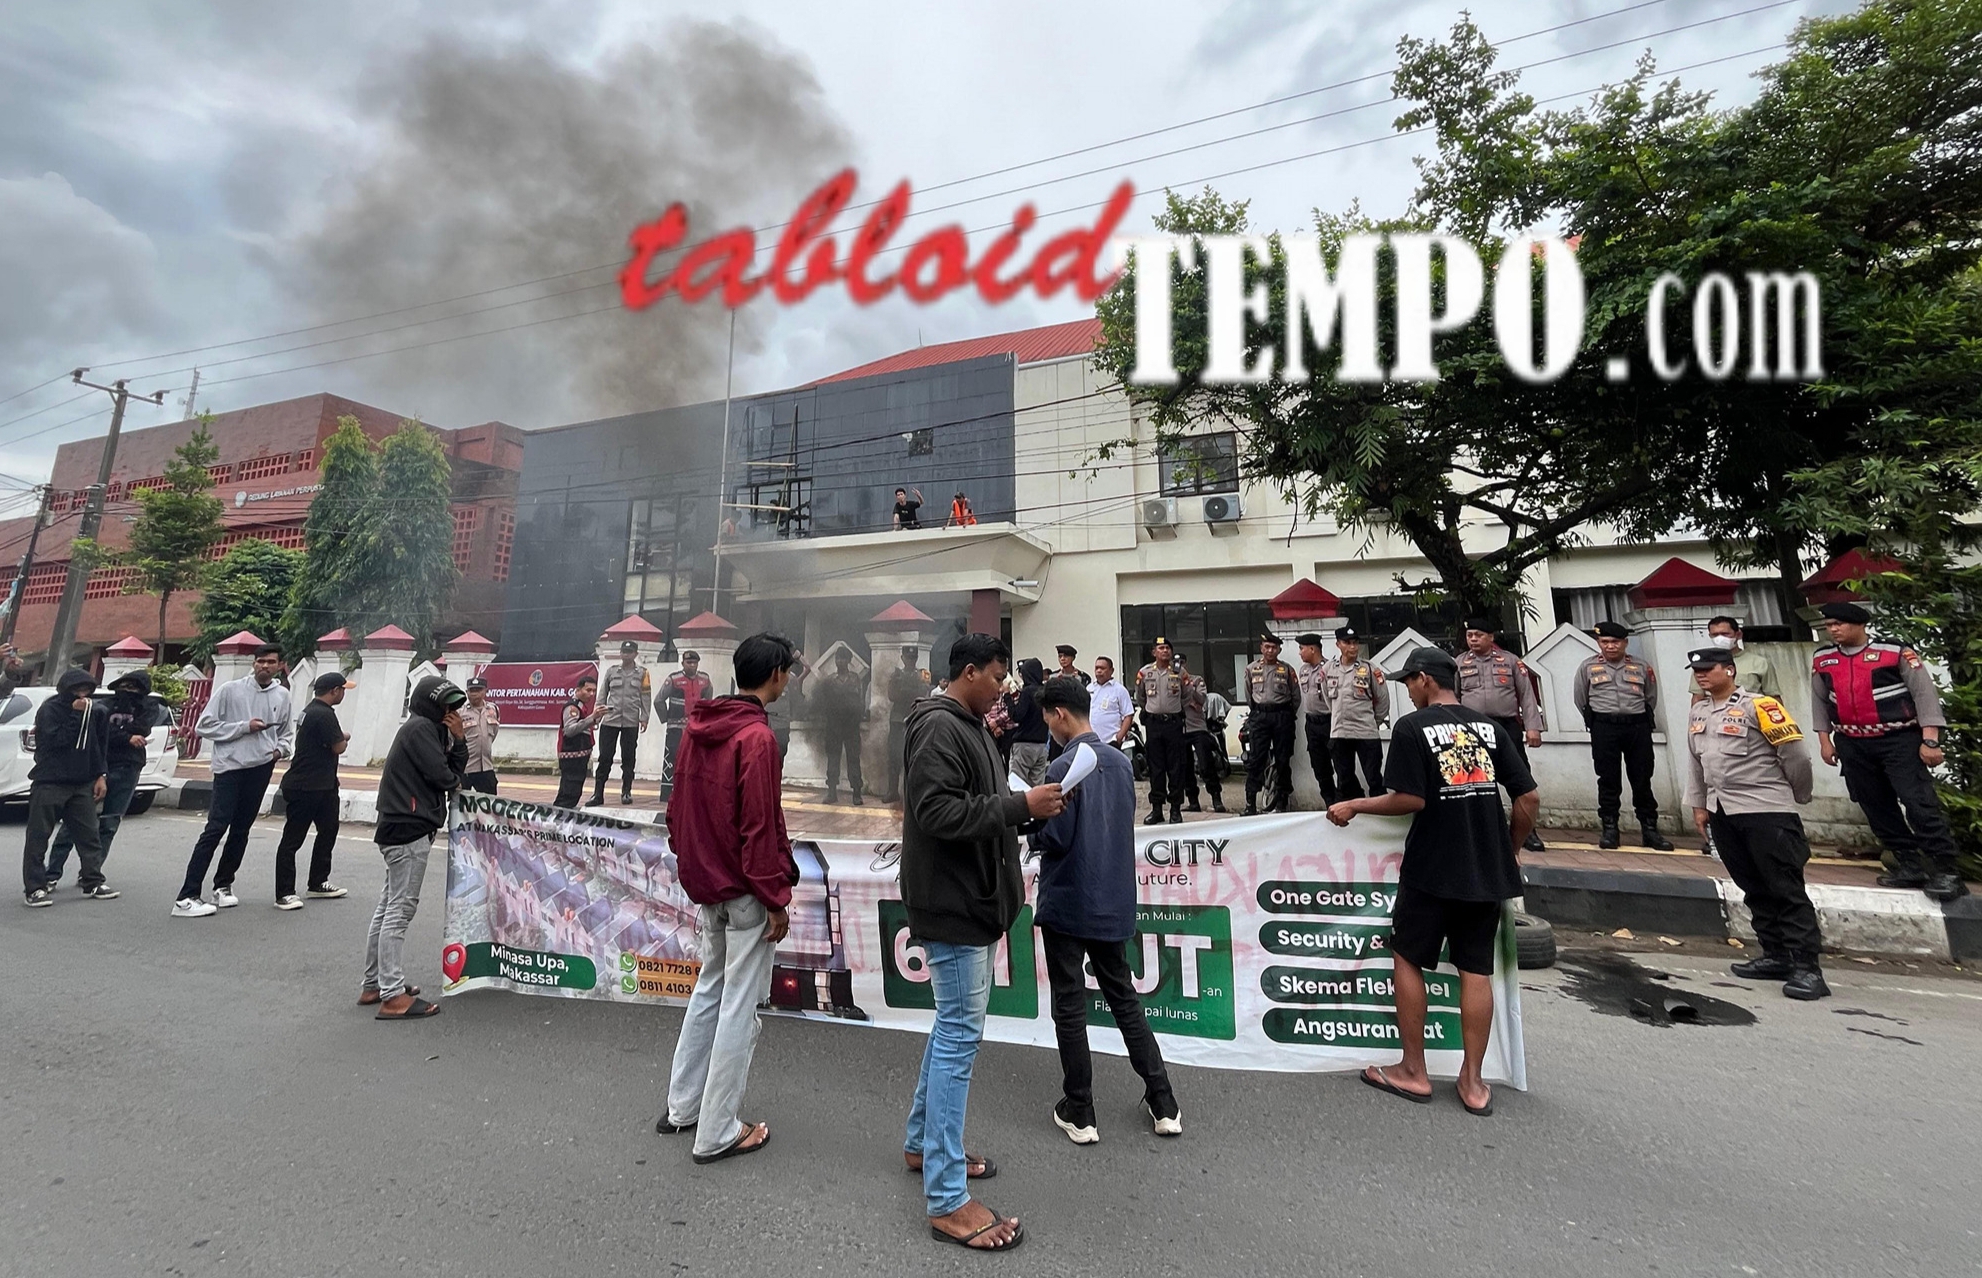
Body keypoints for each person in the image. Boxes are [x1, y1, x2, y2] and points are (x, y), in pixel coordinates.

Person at [1327, 647, 1539, 1117]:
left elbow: (1410, 799)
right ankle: (1473, 1082)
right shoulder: (1490, 727)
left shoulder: (1412, 728)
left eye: (1408, 682)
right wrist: (1508, 849)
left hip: (1431, 867)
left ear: (1425, 679)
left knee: (1407, 957)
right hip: (1485, 871)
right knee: (1475, 970)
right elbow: (1528, 797)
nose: (1407, 690)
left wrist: (1355, 804)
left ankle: (1413, 1071)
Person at [900, 632, 1059, 1252]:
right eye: (996, 677)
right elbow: (936, 812)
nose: (1003, 690)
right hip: (955, 905)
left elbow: (970, 801)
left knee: (950, 1032)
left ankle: (924, 1145)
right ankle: (947, 1199)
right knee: (958, 1042)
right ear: (968, 673)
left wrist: (1018, 804)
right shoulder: (942, 727)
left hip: (969, 899)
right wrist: (1022, 807)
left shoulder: (963, 723)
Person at [659, 633, 798, 1163]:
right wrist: (775, 896)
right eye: (787, 671)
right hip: (744, 890)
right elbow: (760, 826)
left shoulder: (699, 727)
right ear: (776, 674)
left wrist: (696, 864)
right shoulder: (758, 738)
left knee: (708, 992)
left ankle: (682, 1107)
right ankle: (717, 1129)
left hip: (709, 886)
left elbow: (677, 810)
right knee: (740, 1006)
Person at [1032, 679, 1182, 1143]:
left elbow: (1056, 837)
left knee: (1069, 1005)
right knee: (1124, 999)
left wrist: (1032, 826)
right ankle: (1164, 1101)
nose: (1049, 728)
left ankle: (1080, 1109)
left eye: (1048, 719)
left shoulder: (1063, 765)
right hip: (1112, 899)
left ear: (1059, 714)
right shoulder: (1119, 762)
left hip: (1068, 900)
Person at [1683, 646, 1827, 998]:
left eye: (1708, 669)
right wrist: (1699, 806)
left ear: (1730, 670)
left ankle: (1807, 967)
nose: (1701, 675)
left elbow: (1796, 756)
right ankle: (1775, 954)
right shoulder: (1699, 711)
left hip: (1766, 809)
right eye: (1697, 671)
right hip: (1723, 812)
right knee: (1753, 886)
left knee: (1785, 888)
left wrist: (1796, 796)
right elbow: (1696, 763)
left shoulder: (1761, 706)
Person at [1809, 601, 1966, 902]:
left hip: (1899, 739)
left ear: (1859, 624)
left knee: (1918, 802)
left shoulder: (1894, 652)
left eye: (1839, 624)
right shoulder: (1823, 658)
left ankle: (1947, 870)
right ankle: (1909, 865)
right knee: (1875, 806)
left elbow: (1924, 694)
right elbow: (1819, 700)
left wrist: (1930, 740)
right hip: (1852, 743)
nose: (1833, 630)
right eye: (1829, 625)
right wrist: (1824, 740)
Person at [362, 675, 467, 1019]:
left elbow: (449, 772)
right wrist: (458, 744)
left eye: (453, 707)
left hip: (401, 824)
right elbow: (445, 776)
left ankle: (375, 983)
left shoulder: (427, 730)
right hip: (408, 827)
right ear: (429, 704)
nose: (451, 713)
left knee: (388, 906)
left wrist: (457, 741)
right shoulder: (421, 728)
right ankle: (392, 996)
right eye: (445, 706)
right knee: (400, 910)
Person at [175, 644, 293, 917]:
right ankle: (187, 896)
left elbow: (287, 732)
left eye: (271, 662)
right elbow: (203, 726)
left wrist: (279, 751)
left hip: (261, 767)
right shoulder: (230, 690)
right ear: (253, 664)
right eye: (260, 661)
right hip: (229, 768)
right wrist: (243, 727)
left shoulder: (283, 695)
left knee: (241, 829)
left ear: (280, 666)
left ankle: (223, 885)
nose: (265, 666)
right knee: (216, 827)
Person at [46, 669, 163, 891]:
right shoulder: (104, 705)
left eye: (133, 688)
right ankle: (51, 874)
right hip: (98, 766)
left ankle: (90, 875)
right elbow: (100, 732)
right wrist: (127, 737)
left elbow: (141, 729)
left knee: (109, 824)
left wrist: (124, 734)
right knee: (73, 822)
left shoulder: (148, 706)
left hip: (128, 767)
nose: (127, 691)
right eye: (124, 686)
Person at [1572, 622, 1673, 851]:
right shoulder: (1587, 666)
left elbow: (1650, 697)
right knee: (1608, 779)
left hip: (1637, 726)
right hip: (1604, 727)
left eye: (1615, 642)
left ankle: (1650, 830)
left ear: (1625, 643)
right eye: (1605, 642)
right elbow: (1581, 698)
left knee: (1642, 779)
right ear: (1599, 643)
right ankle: (1610, 830)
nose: (1610, 646)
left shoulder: (1641, 666)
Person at [20, 668, 112, 906]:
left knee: (89, 835)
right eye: (76, 690)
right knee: (39, 836)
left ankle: (92, 880)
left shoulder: (96, 711)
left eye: (86, 690)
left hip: (82, 782)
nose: (81, 695)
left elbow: (99, 746)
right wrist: (75, 715)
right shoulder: (50, 710)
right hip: (50, 781)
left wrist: (100, 775)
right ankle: (35, 887)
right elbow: (54, 741)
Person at [1456, 619, 1547, 852]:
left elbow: (1526, 695)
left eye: (1478, 635)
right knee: (1474, 780)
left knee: (1519, 777)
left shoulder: (1510, 661)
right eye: (1469, 635)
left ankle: (1528, 833)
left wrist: (1533, 727)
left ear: (1491, 637)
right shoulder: (1458, 663)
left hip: (1506, 727)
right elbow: (1453, 697)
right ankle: (1481, 832)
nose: (1473, 639)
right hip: (1472, 729)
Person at [271, 671, 353, 910]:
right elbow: (338, 746)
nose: (344, 694)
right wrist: (345, 737)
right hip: (306, 785)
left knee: (328, 830)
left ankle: (318, 881)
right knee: (293, 839)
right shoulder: (323, 714)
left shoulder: (311, 710)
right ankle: (284, 892)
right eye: (343, 689)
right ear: (334, 691)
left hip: (323, 784)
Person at [1324, 626, 1388, 800]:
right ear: (1338, 644)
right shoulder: (1329, 669)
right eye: (1347, 643)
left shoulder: (1369, 669)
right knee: (1344, 779)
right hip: (1340, 732)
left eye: (1355, 643)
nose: (1352, 647)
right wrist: (1337, 716)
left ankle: (1380, 810)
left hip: (1366, 732)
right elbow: (1328, 699)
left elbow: (1382, 700)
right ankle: (1353, 810)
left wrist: (1373, 722)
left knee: (1374, 778)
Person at [1133, 637, 1190, 825]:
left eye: (1167, 648)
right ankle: (1157, 809)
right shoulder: (1145, 672)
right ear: (1154, 652)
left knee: (1176, 767)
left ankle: (1175, 809)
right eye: (1161, 648)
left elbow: (1187, 696)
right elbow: (1140, 697)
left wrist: (1174, 709)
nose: (1165, 651)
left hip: (1173, 724)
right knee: (1156, 768)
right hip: (1154, 725)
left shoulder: (1179, 672)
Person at [1242, 633, 1300, 815]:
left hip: (1282, 716)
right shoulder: (1251, 669)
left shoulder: (1287, 669)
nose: (1270, 650)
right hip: (1260, 717)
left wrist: (1286, 715)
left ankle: (1282, 802)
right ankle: (1250, 803)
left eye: (1274, 647)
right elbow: (1249, 695)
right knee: (1256, 759)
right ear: (1261, 648)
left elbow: (1295, 697)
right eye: (1267, 647)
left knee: (1283, 760)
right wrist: (1258, 712)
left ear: (1279, 650)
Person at [591, 641, 650, 807]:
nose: (626, 655)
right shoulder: (611, 671)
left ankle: (626, 791)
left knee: (628, 758)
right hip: (610, 720)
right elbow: (602, 694)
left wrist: (644, 717)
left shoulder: (643, 673)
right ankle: (598, 793)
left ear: (635, 654)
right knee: (605, 757)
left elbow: (646, 696)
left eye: (629, 652)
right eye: (624, 651)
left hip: (631, 721)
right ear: (620, 653)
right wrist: (597, 716)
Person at [657, 651, 715, 800]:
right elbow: (659, 700)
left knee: (696, 758)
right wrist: (667, 718)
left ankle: (693, 791)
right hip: (676, 727)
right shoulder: (673, 679)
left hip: (697, 727)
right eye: (689, 662)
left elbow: (708, 702)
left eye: (694, 663)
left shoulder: (705, 680)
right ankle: (669, 792)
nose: (692, 665)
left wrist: (705, 719)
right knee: (674, 757)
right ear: (682, 663)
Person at [813, 649, 868, 805]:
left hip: (851, 725)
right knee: (833, 758)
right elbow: (822, 702)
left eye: (843, 659)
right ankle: (832, 792)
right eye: (838, 658)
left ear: (848, 661)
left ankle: (856, 792)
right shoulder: (829, 681)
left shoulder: (855, 679)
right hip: (834, 725)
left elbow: (860, 700)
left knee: (853, 759)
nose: (840, 662)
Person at [1690, 615, 1781, 700]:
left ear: (1738, 634)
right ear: (1710, 636)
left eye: (1725, 634)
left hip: (1750, 709)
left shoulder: (1759, 663)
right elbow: (1697, 698)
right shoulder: (1703, 664)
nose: (1720, 638)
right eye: (1715, 635)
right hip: (1715, 710)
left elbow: (1773, 698)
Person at [1176, 654, 1224, 813]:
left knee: (1206, 765)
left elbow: (1201, 700)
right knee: (1184, 767)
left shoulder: (1196, 680)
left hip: (1197, 727)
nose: (1179, 666)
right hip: (1180, 728)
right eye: (1176, 663)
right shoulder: (1169, 681)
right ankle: (1193, 801)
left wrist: (1187, 685)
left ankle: (1216, 798)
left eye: (1181, 663)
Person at [1296, 633, 1338, 807]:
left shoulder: (1330, 668)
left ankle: (1343, 801)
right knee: (1319, 766)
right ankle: (1330, 802)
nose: (1300, 653)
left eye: (1302, 648)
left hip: (1329, 721)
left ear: (1312, 649)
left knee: (1340, 763)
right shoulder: (1303, 670)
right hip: (1312, 724)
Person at [883, 646, 927, 803]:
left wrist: (905, 691)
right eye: (908, 658)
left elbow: (923, 694)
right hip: (897, 720)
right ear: (902, 658)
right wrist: (910, 692)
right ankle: (892, 791)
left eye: (913, 658)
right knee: (894, 756)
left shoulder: (923, 674)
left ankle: (910, 792)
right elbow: (892, 695)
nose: (911, 661)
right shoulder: (896, 675)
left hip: (914, 718)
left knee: (914, 757)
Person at [555, 675, 605, 809]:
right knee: (569, 792)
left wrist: (596, 718)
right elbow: (569, 730)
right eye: (588, 690)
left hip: (579, 756)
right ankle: (559, 816)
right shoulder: (572, 707)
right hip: (572, 756)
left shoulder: (581, 706)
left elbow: (584, 727)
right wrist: (591, 718)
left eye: (594, 691)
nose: (591, 694)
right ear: (578, 690)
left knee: (574, 791)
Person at [1007, 658, 1051, 785]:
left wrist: (1007, 698)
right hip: (1042, 744)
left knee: (1017, 783)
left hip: (1024, 744)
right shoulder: (1045, 691)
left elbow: (1017, 715)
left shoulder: (1027, 692)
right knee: (1037, 785)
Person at [459, 676, 501, 794]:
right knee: (460, 802)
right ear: (466, 692)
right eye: (471, 690)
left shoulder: (493, 710)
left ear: (485, 691)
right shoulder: (460, 712)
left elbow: (493, 733)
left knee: (489, 802)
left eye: (478, 690)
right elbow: (452, 738)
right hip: (465, 767)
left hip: (486, 767)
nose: (474, 694)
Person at [765, 647, 809, 760]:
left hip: (781, 726)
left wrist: (800, 657)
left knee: (779, 758)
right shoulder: (764, 676)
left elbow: (796, 701)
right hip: (765, 725)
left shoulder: (790, 679)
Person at [1087, 656, 1134, 749]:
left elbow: (1128, 716)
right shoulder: (1089, 688)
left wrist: (1118, 738)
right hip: (1091, 742)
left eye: (1102, 668)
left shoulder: (1119, 690)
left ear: (1111, 670)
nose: (1099, 671)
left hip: (1111, 742)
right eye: (1097, 668)